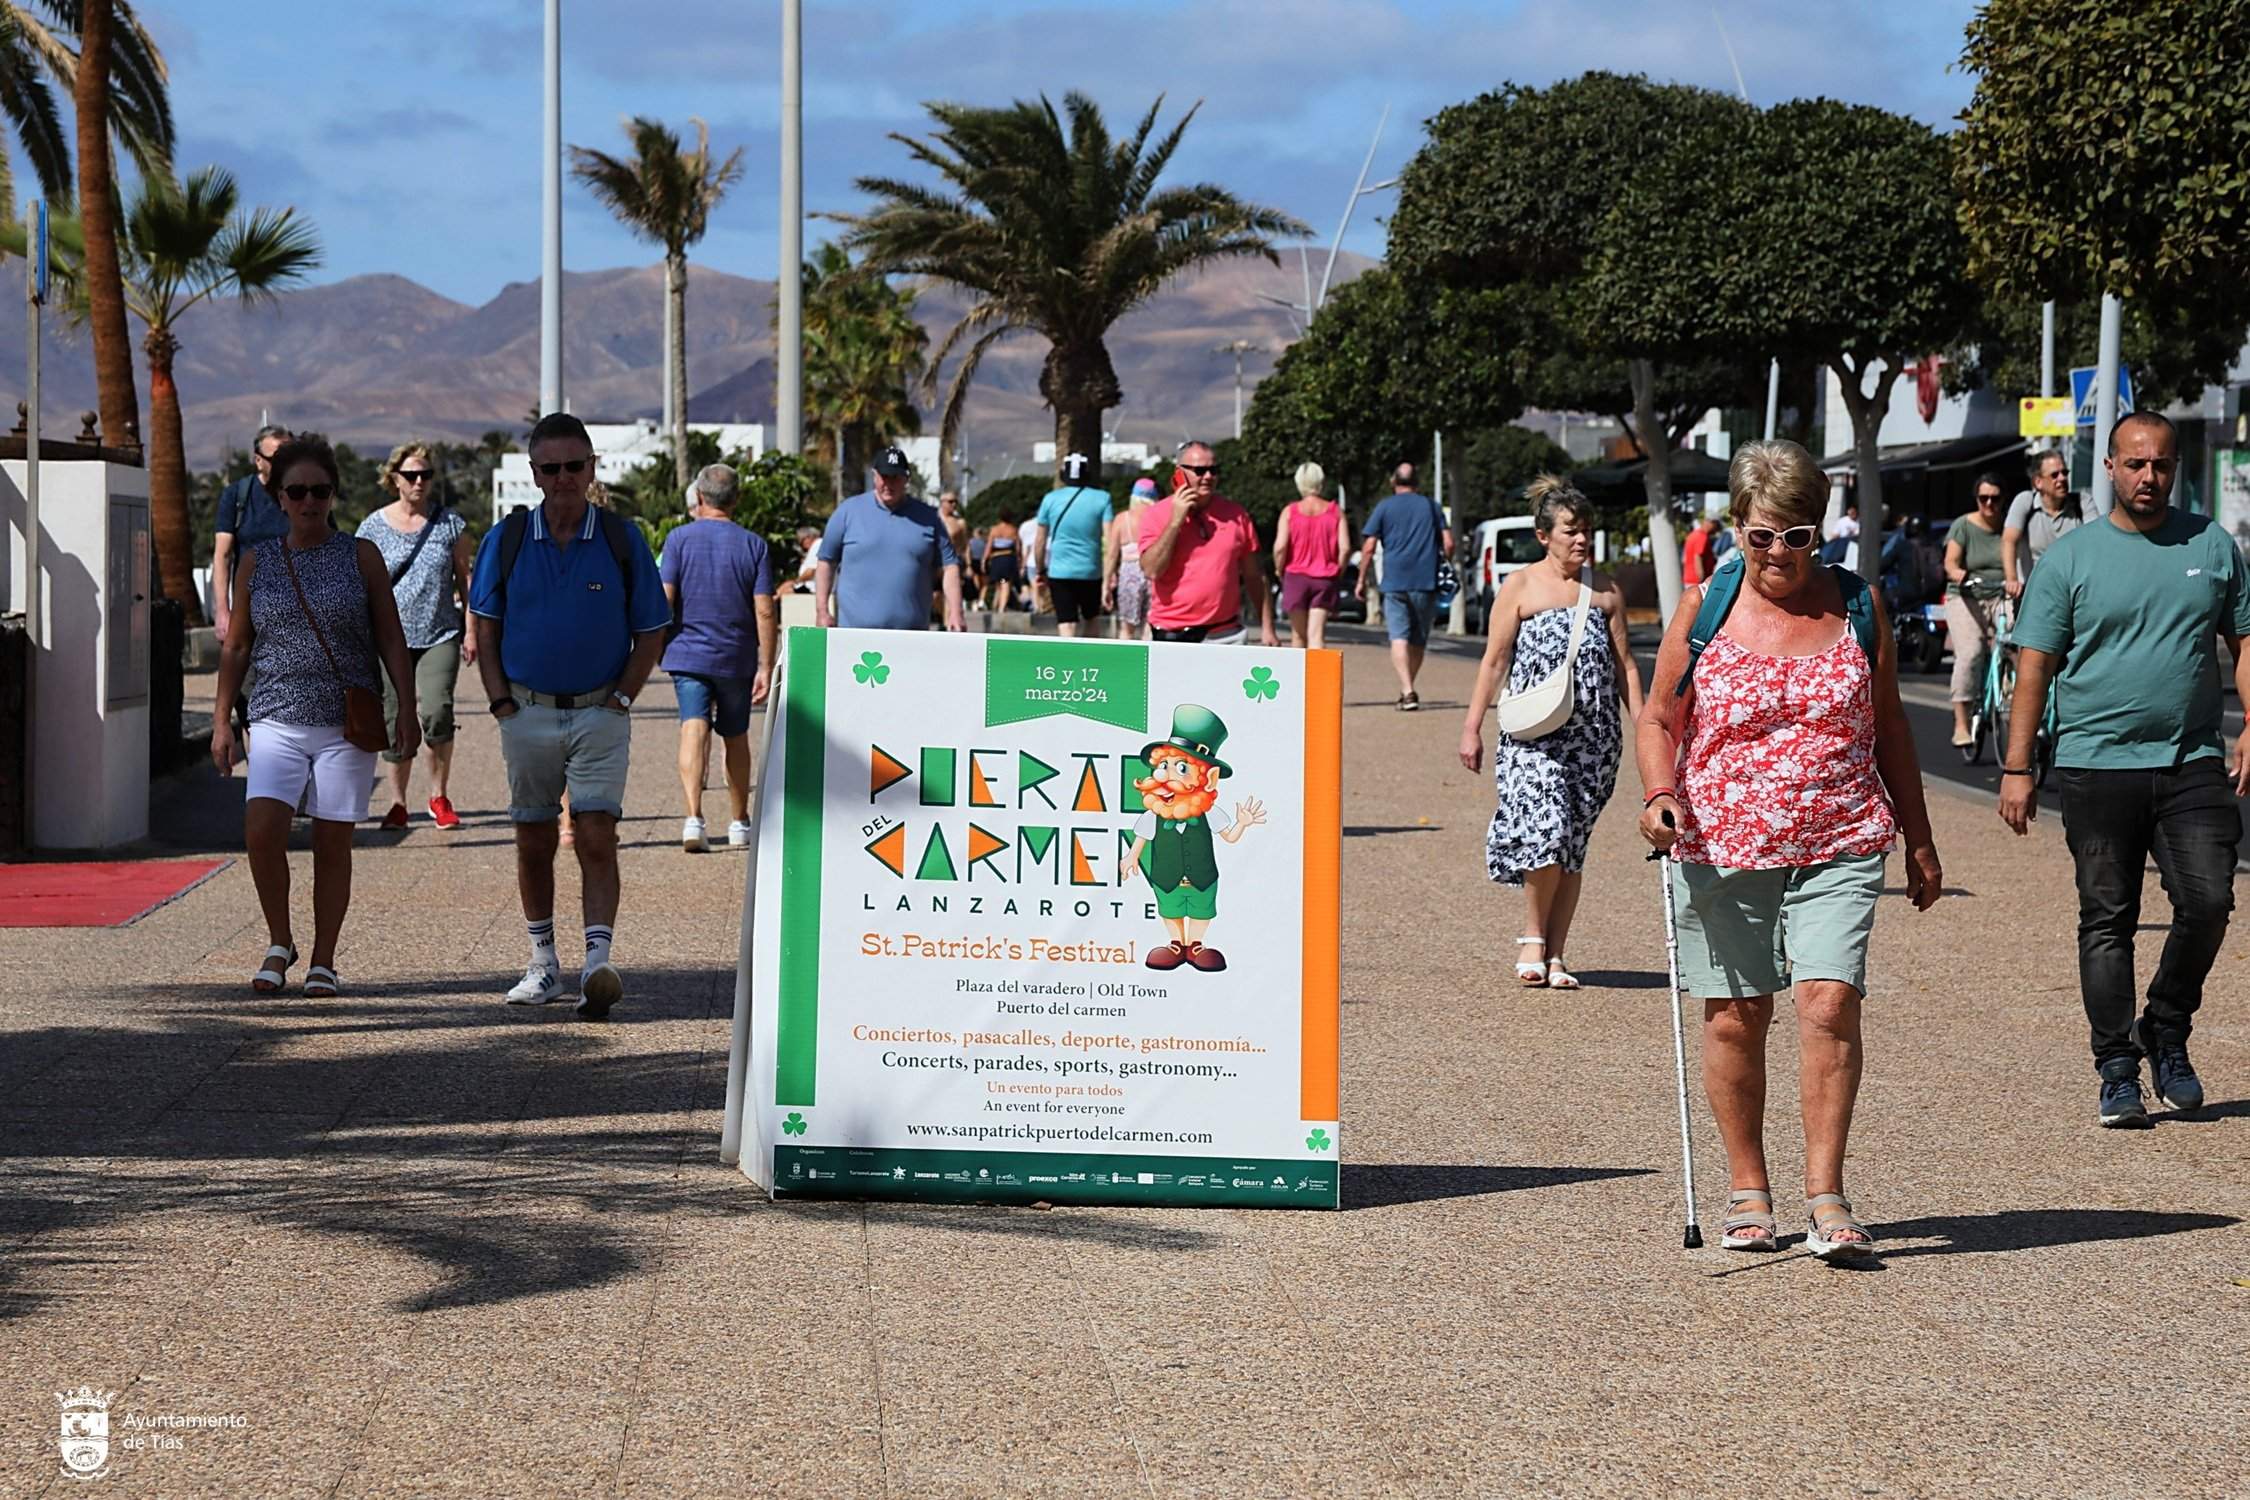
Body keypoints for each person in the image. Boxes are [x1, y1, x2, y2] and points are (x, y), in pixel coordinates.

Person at [1637, 439, 1943, 1260]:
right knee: (1738, 1015)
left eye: (1796, 536)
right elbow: (1660, 718)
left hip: (1840, 838)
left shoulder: (1857, 607)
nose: (1778, 553)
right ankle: (1748, 1188)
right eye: (1761, 535)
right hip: (1724, 841)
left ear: (1821, 532)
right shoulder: (1705, 608)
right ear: (1737, 527)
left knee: (1828, 1002)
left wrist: (1919, 838)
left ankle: (1827, 1196)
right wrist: (1660, 794)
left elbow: (1890, 728)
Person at [2001, 411, 2250, 1127]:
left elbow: (2243, 638)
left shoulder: (2212, 544)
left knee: (2208, 901)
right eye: (2135, 464)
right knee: (2107, 918)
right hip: (2094, 764)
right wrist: (2019, 767)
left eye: (2162, 465)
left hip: (2191, 757)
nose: (2149, 476)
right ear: (2108, 468)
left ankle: (2165, 1029)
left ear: (2177, 469)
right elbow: (2035, 667)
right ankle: (2116, 1066)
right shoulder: (2070, 560)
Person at [470, 412, 670, 1019]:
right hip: (526, 712)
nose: (563, 479)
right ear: (535, 473)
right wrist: (501, 702)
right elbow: (484, 622)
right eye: (551, 468)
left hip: (599, 714)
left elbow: (652, 629)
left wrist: (623, 699)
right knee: (532, 840)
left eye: (573, 466)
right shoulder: (504, 540)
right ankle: (542, 963)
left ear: (591, 469)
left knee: (595, 836)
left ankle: (596, 963)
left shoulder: (619, 537)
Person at [211, 437, 418, 999]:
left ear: (333, 495)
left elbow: (390, 637)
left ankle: (324, 957)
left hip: (345, 722)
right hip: (275, 714)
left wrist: (408, 708)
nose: (308, 502)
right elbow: (235, 647)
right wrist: (223, 720)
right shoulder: (259, 561)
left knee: (332, 842)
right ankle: (281, 940)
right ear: (279, 497)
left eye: (319, 491)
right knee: (262, 830)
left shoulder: (361, 556)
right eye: (296, 491)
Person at [1458, 475, 1643, 989]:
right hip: (1531, 736)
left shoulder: (1605, 591)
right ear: (1545, 536)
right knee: (1546, 827)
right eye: (1570, 532)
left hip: (1594, 739)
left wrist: (1647, 727)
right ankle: (1533, 937)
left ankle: (1557, 955)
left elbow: (1626, 666)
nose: (1581, 540)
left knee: (1571, 844)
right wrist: (1472, 726)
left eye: (1587, 531)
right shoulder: (1519, 586)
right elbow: (1494, 661)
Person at [357, 442, 475, 830]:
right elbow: (360, 584)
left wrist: (471, 630)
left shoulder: (450, 525)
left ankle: (439, 796)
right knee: (393, 718)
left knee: (436, 711)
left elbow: (466, 580)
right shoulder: (372, 527)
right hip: (388, 639)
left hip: (439, 633)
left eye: (426, 474)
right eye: (411, 475)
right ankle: (397, 803)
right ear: (394, 479)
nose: (419, 481)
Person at [662, 463, 776, 853]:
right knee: (736, 735)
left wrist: (654, 647)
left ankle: (693, 818)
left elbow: (665, 599)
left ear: (698, 497)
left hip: (689, 653)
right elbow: (764, 609)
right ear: (737, 499)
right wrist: (766, 663)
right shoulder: (754, 545)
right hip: (737, 656)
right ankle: (738, 821)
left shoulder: (678, 540)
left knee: (692, 727)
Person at [1137, 441, 1277, 646]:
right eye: (1200, 471)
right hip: (1173, 634)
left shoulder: (1236, 515)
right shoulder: (1156, 514)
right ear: (1179, 474)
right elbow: (1152, 570)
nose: (1208, 477)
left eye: (1214, 470)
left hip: (1226, 634)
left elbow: (1254, 576)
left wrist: (1268, 627)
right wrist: (1176, 522)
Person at [815, 444, 966, 632]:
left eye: (895, 477)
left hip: (911, 636)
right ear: (874, 476)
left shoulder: (929, 518)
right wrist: (822, 611)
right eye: (884, 477)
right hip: (854, 634)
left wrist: (956, 611)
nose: (889, 484)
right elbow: (826, 562)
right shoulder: (848, 512)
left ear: (906, 479)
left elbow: (950, 566)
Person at [1358, 462, 1452, 708]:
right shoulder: (1432, 507)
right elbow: (1449, 543)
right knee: (1418, 639)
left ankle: (1407, 688)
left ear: (1393, 481)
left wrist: (1361, 579)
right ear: (1418, 482)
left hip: (1394, 581)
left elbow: (1368, 547)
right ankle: (1408, 687)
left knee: (1398, 636)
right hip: (1425, 580)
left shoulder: (1384, 507)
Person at [210, 424, 294, 646]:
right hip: (248, 614)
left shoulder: (306, 497)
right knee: (247, 679)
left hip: (297, 614)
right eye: (277, 458)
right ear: (258, 460)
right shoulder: (237, 496)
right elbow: (222, 555)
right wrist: (222, 611)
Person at [1943, 474, 2009, 745]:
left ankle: (2013, 699)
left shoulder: (2010, 527)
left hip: (2002, 593)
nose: (1990, 504)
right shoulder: (1964, 525)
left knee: (2018, 645)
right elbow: (1950, 561)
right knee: (1970, 653)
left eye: (1995, 498)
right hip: (1966, 594)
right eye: (1984, 498)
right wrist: (1958, 573)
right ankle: (1961, 723)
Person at [1032, 454, 1113, 638]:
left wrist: (1040, 569)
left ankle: (1068, 663)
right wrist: (1110, 572)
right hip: (1091, 571)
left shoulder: (1050, 499)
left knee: (1066, 623)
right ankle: (1089, 663)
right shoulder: (1103, 498)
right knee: (1091, 619)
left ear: (1063, 474)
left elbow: (1040, 541)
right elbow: (1109, 539)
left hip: (1059, 572)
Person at [1273, 461, 1350, 650]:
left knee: (1298, 636)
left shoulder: (1290, 512)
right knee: (1317, 636)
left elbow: (1280, 547)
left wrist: (1278, 568)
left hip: (1296, 576)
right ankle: (1318, 679)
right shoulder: (1335, 512)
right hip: (1325, 577)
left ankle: (1297, 678)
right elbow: (1346, 548)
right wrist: (1338, 570)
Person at [2001, 448, 2087, 598]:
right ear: (2038, 482)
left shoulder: (2082, 502)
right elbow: (2008, 540)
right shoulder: (2025, 502)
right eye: (2054, 475)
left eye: (2065, 473)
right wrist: (2012, 580)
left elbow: (2097, 541)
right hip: (2033, 594)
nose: (2062, 478)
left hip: (2072, 594)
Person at [1104, 477, 1158, 641]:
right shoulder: (1157, 517)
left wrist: (1106, 583)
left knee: (1126, 628)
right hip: (1152, 571)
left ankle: (1122, 663)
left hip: (1129, 573)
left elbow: (1111, 554)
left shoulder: (1122, 519)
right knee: (1149, 626)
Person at [982, 514, 1022, 613]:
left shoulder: (995, 530)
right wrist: (1019, 560)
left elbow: (989, 546)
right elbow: (1018, 548)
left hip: (997, 559)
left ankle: (996, 605)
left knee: (999, 583)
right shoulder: (1013, 530)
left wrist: (984, 560)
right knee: (1005, 583)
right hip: (1008, 558)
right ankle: (1001, 607)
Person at [1680, 514, 1718, 587]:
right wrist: (1702, 578)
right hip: (1696, 581)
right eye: (1716, 525)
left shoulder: (1694, 534)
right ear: (1712, 523)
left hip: (1690, 579)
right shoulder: (1701, 536)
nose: (1716, 529)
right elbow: (1698, 557)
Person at [790, 526, 822, 594]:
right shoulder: (818, 545)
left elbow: (811, 571)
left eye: (801, 541)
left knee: (786, 587)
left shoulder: (817, 545)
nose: (802, 546)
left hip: (812, 588)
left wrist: (797, 581)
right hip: (811, 586)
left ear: (808, 537)